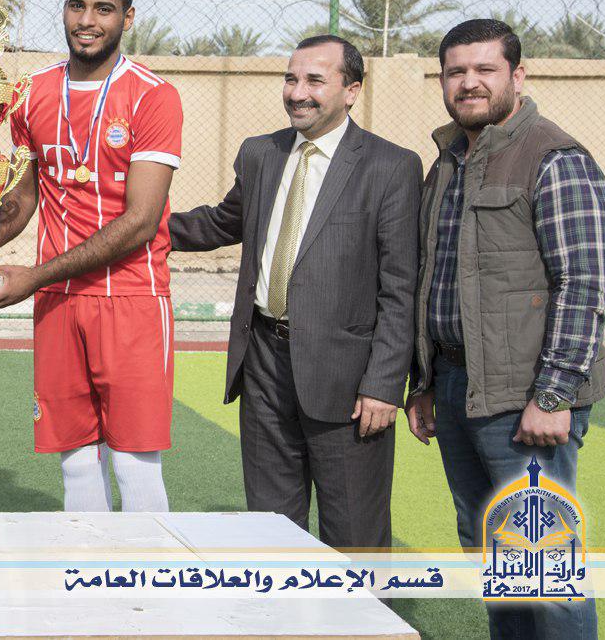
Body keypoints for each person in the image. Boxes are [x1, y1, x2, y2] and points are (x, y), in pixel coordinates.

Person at [168, 35, 421, 549]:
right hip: (263, 362)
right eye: (290, 78)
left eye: (314, 81)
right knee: (271, 530)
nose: (297, 92)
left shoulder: (391, 167)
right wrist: (136, 226)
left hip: (347, 379)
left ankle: (359, 608)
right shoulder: (261, 153)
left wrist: (382, 384)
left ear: (351, 91)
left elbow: (400, 288)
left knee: (354, 534)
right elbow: (222, 222)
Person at [0, 0, 183, 511]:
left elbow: (140, 222)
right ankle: (87, 566)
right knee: (76, 460)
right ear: (63, 9)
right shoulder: (30, 94)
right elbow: (24, 197)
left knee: (134, 462)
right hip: (58, 300)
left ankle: (146, 569)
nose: (88, 20)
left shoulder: (153, 96)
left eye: (104, 9)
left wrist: (34, 275)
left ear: (127, 18)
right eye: (77, 5)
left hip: (130, 298)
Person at [405, 19, 605, 639]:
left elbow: (584, 283)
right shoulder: (448, 162)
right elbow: (435, 279)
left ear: (518, 76)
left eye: (484, 69)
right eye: (456, 71)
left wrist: (553, 396)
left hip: (526, 397)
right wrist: (425, 382)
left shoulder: (554, 157)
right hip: (458, 386)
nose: (469, 83)